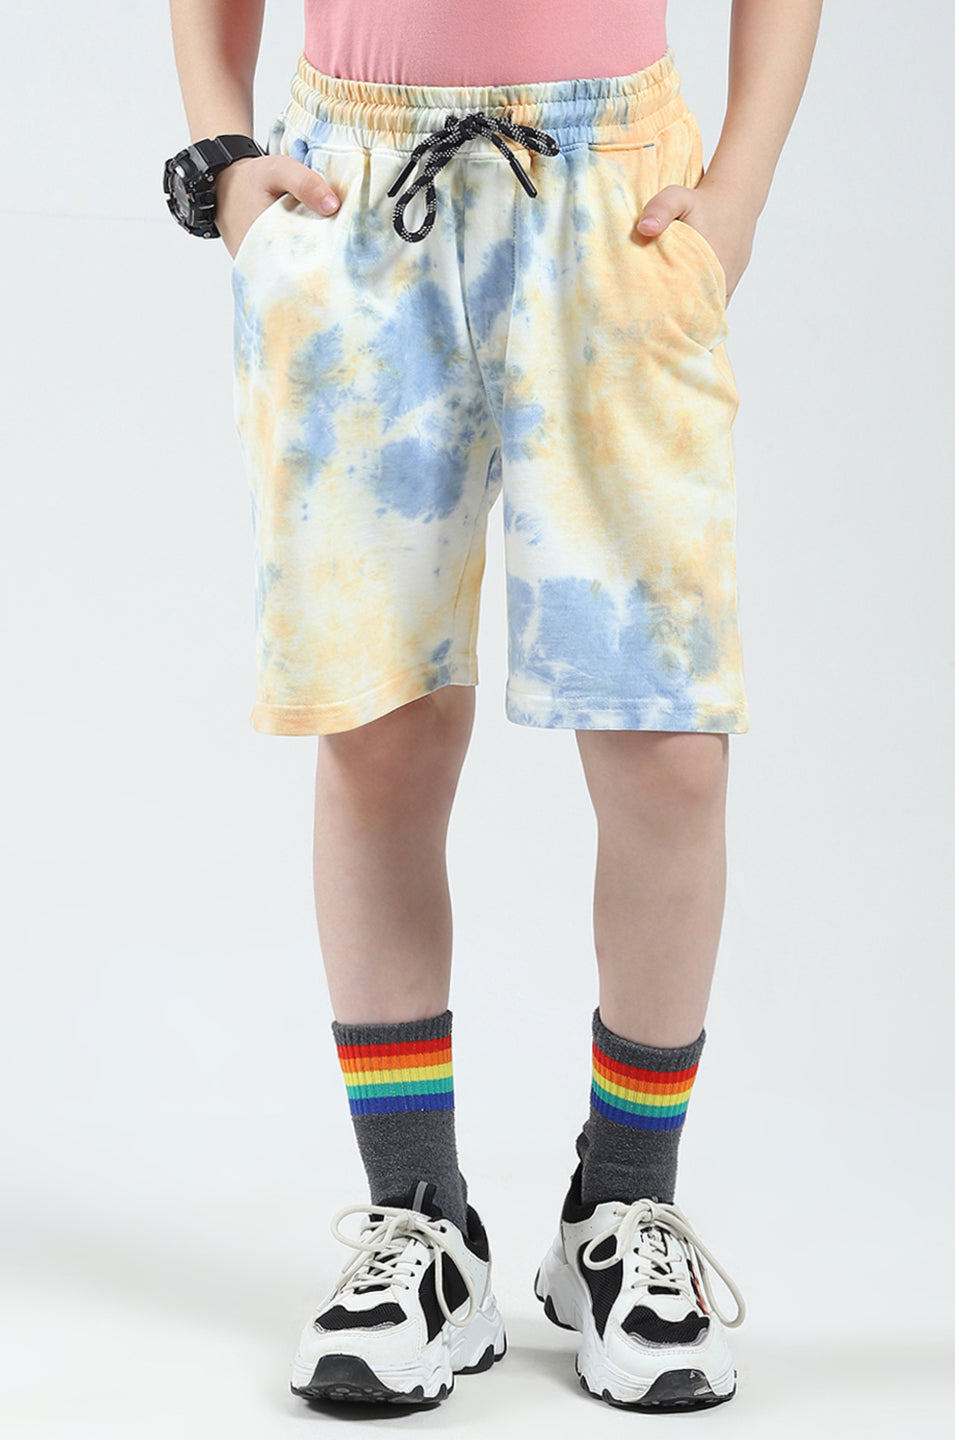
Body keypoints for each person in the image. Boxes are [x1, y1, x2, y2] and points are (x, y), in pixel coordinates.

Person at [165, 0, 821, 1412]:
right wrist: (221, 153)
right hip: (352, 194)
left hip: (612, 196)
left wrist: (742, 191)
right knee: (381, 732)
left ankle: (623, 1205)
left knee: (664, 737)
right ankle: (420, 1222)